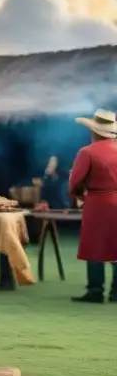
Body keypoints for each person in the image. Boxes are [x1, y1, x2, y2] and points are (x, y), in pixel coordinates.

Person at [68, 109, 117, 303]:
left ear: (94, 131)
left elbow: (75, 182)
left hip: (98, 203)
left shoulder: (87, 152)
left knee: (95, 246)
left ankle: (96, 290)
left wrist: (79, 195)